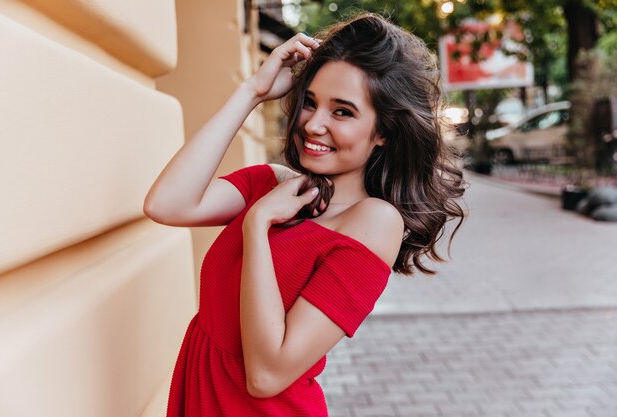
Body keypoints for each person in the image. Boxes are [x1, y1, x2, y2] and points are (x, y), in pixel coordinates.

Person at [143, 12, 465, 417]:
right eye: (310, 102)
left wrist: (258, 227)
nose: (313, 124)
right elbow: (166, 204)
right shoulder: (274, 185)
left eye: (342, 111)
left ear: (383, 130)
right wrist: (252, 92)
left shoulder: (374, 221)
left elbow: (266, 375)